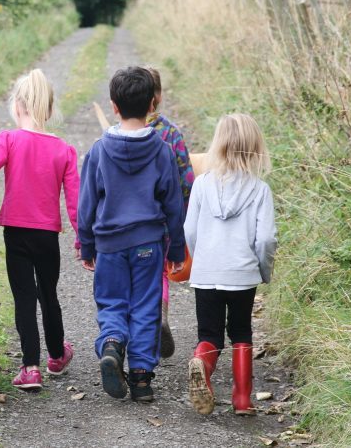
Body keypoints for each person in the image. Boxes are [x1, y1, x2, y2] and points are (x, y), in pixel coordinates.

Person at [78, 66, 186, 402]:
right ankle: (141, 379)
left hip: (110, 245)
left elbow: (87, 204)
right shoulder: (162, 151)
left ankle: (111, 344)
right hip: (148, 245)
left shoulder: (98, 151)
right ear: (152, 103)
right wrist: (177, 249)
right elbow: (173, 203)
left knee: (112, 302)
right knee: (145, 307)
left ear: (113, 106)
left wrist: (87, 244)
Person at [0, 69, 79, 391]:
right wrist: (82, 238)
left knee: (24, 298)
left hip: (15, 231)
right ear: (49, 109)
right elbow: (75, 201)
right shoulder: (64, 150)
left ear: (17, 105)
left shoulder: (8, 139)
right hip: (46, 235)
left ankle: (30, 367)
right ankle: (56, 355)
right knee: (49, 295)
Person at [183, 113, 276, 416]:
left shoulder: (201, 185)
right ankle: (242, 400)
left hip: (207, 272)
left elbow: (190, 231)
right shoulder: (260, 190)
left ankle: (202, 363)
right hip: (242, 274)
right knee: (240, 332)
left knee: (209, 334)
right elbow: (265, 240)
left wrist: (202, 261)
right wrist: (263, 271)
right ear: (255, 147)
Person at [144, 66, 195, 359]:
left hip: (131, 222)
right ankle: (160, 318)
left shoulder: (122, 133)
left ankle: (133, 327)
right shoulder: (171, 133)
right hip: (165, 220)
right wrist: (184, 221)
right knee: (161, 273)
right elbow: (187, 180)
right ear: (159, 96)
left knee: (134, 274)